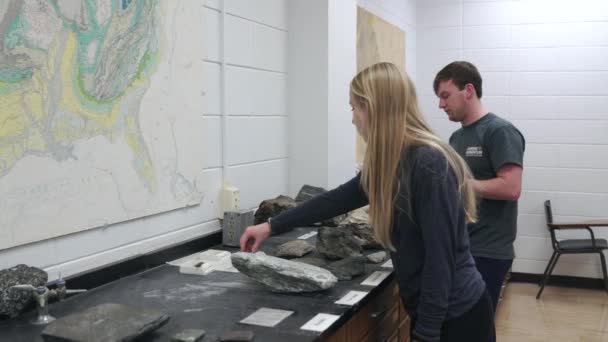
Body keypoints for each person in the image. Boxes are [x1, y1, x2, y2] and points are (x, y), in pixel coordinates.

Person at [240, 62, 494, 342]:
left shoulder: (428, 163)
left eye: (353, 108)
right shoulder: (392, 162)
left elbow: (440, 260)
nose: (352, 119)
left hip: (458, 318)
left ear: (373, 107)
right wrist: (271, 226)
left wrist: (426, 334)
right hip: (432, 314)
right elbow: (336, 199)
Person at [434, 61, 525, 320]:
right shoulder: (455, 139)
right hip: (462, 246)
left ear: (469, 90)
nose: (441, 105)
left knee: (479, 326)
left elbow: (511, 187)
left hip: (489, 251)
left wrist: (458, 184)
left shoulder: (499, 131)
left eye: (445, 96)